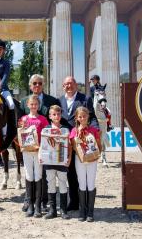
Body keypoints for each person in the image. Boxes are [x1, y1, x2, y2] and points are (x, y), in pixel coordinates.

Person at [20, 74, 61, 212]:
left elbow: (56, 120)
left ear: (43, 85)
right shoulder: (23, 101)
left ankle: (41, 202)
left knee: (42, 174)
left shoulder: (52, 100)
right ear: (30, 86)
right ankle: (28, 201)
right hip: (28, 147)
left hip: (46, 145)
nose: (37, 85)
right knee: (29, 174)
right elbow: (20, 123)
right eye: (34, 83)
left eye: (39, 83)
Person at [58, 76, 94, 211]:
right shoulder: (59, 100)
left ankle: (85, 203)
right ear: (63, 86)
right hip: (65, 143)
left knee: (83, 173)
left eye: (71, 83)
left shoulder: (85, 99)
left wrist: (94, 133)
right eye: (66, 84)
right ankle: (74, 202)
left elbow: (93, 118)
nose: (69, 86)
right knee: (70, 173)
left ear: (76, 85)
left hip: (81, 141)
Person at [19, 94, 48, 218]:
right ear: (27, 105)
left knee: (38, 176)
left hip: (39, 151)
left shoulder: (43, 119)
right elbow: (20, 134)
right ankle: (30, 204)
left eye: (36, 104)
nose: (33, 106)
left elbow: (47, 135)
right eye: (31, 104)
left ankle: (38, 205)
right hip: (27, 151)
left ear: (39, 105)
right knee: (29, 175)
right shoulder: (23, 119)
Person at [41, 105, 72, 219]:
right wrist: (41, 156)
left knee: (63, 183)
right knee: (51, 184)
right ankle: (52, 210)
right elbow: (42, 145)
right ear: (50, 116)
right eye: (54, 114)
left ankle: (63, 211)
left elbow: (69, 146)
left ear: (61, 115)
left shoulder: (65, 129)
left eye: (58, 114)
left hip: (61, 161)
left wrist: (69, 158)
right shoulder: (45, 130)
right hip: (49, 162)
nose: (57, 116)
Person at [70, 106, 100, 222]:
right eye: (80, 117)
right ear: (77, 118)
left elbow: (98, 145)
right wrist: (75, 141)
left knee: (91, 183)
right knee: (82, 183)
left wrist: (96, 155)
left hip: (92, 160)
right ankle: (82, 211)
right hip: (80, 160)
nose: (82, 118)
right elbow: (72, 146)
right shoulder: (74, 131)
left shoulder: (93, 130)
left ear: (88, 117)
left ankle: (90, 212)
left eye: (84, 116)